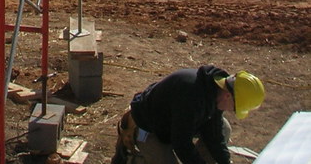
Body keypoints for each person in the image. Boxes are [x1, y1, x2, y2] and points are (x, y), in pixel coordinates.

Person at [112, 65, 265, 164]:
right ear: (228, 96)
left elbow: (214, 133)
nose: (232, 111)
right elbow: (181, 143)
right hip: (147, 128)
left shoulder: (216, 91)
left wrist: (225, 162)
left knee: (224, 127)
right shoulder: (191, 96)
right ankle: (133, 159)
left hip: (172, 125)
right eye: (235, 108)